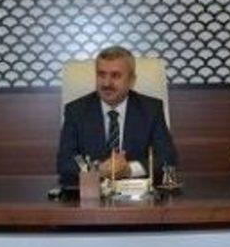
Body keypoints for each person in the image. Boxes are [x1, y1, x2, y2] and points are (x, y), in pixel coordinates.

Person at [56, 45, 178, 186]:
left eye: (115, 76)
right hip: (91, 193)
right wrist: (97, 170)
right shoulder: (76, 111)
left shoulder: (151, 109)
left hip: (137, 193)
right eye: (101, 75)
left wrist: (129, 169)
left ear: (131, 80)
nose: (107, 83)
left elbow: (167, 158)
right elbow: (64, 163)